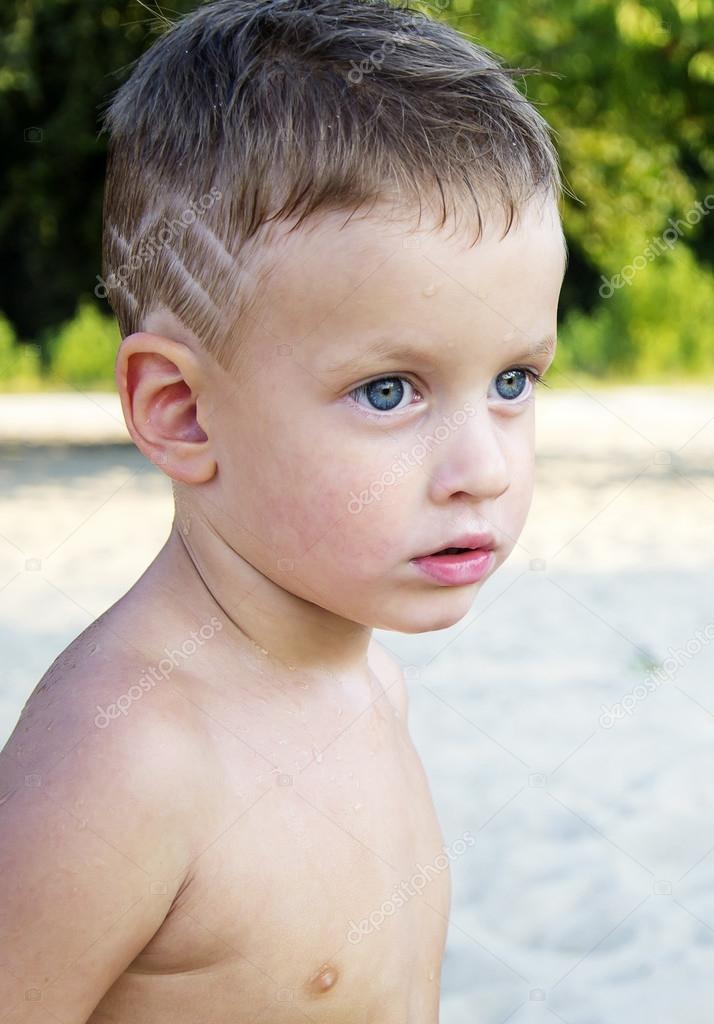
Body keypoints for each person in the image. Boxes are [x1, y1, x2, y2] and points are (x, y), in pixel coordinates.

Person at [1, 0, 567, 1019]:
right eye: (389, 390)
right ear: (181, 411)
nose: (482, 467)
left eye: (515, 380)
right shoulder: (122, 760)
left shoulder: (373, 683)